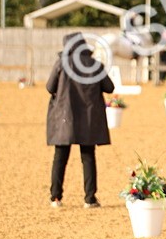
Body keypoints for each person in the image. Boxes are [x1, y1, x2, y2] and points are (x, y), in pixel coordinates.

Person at [46, 32, 115, 208]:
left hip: (64, 117)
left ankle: (55, 197)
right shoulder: (94, 65)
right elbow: (109, 87)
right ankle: (90, 198)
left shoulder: (62, 63)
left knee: (60, 157)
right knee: (88, 157)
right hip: (89, 118)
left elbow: (49, 87)